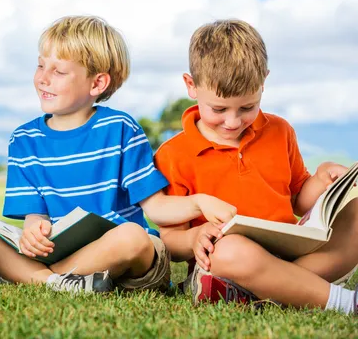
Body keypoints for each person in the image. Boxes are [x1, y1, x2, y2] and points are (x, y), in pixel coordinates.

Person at [0, 15, 237, 293]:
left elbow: (156, 209)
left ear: (97, 84)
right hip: (61, 252)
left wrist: (199, 203)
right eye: (40, 65)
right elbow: (37, 214)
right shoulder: (24, 139)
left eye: (58, 72)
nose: (43, 78)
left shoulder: (120, 129)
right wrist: (35, 229)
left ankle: (32, 277)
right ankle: (57, 281)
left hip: (126, 258)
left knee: (133, 237)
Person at [153, 19, 358, 314]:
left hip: (293, 257)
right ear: (191, 86)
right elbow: (169, 240)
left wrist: (325, 177)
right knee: (230, 251)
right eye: (219, 109)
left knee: (355, 209)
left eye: (247, 107)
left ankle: (274, 287)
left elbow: (299, 197)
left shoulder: (280, 131)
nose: (233, 121)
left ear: (264, 81)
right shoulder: (173, 154)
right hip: (228, 262)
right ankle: (340, 301)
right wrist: (195, 237)